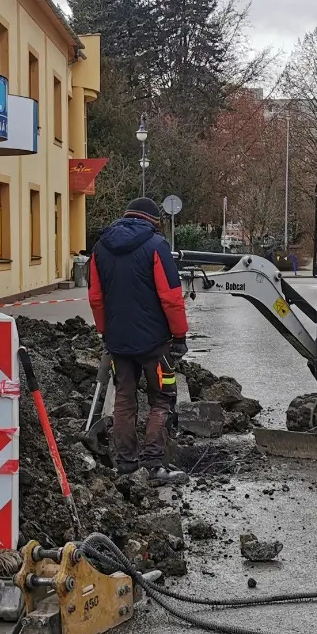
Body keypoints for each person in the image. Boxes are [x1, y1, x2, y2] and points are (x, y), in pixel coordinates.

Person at [88, 197, 189, 483]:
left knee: (124, 399)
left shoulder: (100, 248)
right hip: (156, 344)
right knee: (163, 396)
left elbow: (95, 297)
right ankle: (155, 465)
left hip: (119, 343)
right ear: (154, 220)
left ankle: (126, 464)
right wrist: (179, 336)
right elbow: (171, 297)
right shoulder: (157, 247)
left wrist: (106, 332)